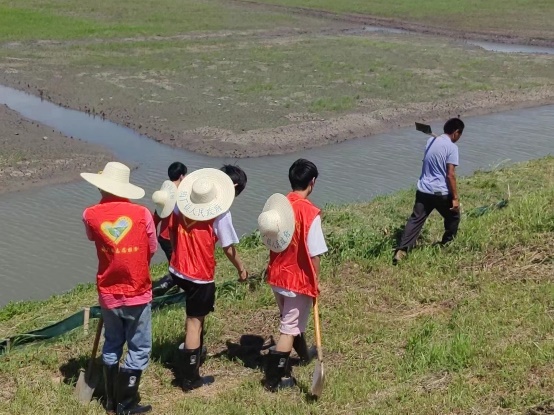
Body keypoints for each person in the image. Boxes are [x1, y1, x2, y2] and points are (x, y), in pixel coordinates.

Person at [81, 162, 156, 415]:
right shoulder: (143, 214)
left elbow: (92, 238)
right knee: (139, 347)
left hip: (108, 292)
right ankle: (126, 403)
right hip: (138, 290)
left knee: (112, 342)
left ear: (102, 186)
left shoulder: (89, 214)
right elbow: (152, 248)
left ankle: (111, 402)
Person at [168, 168, 248, 391]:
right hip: (199, 276)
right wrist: (242, 269)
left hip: (177, 269)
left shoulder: (183, 202)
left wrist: (176, 253)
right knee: (195, 324)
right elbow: (228, 248)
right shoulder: (220, 213)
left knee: (193, 317)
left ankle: (193, 354)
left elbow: (172, 229)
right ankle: (190, 378)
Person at [257, 158, 327, 392]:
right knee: (288, 329)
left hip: (277, 276)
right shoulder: (310, 213)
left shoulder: (279, 207)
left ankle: (304, 354)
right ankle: (273, 380)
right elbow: (314, 255)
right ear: (312, 182)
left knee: (291, 320)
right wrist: (315, 281)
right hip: (297, 281)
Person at [393, 118, 465, 265]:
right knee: (453, 217)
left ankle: (402, 250)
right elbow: (450, 175)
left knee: (415, 220)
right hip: (440, 193)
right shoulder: (452, 148)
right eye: (460, 134)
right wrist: (455, 198)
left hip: (423, 190)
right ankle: (447, 244)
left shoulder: (430, 141)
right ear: (456, 132)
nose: (459, 138)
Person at [152, 162, 187, 295]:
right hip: (173, 237)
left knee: (174, 263)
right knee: (178, 265)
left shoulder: (164, 195)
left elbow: (155, 218)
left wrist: (152, 238)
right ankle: (173, 289)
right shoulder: (182, 195)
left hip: (163, 237)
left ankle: (176, 285)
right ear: (182, 176)